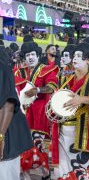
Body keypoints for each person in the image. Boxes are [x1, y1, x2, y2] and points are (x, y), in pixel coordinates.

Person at [52, 42, 89, 179]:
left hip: (85, 134)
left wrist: (82, 99)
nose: (75, 59)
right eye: (74, 56)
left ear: (88, 60)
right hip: (63, 132)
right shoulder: (67, 80)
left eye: (79, 56)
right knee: (64, 172)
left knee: (84, 172)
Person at [14, 39, 59, 179]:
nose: (30, 58)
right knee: (23, 147)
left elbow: (52, 86)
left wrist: (38, 89)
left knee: (40, 147)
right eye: (27, 55)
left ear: (38, 55)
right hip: (22, 115)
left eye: (32, 54)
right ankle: (25, 175)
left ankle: (43, 174)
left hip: (40, 115)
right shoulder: (18, 72)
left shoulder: (47, 69)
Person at [0, 47, 33, 180]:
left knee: (5, 172)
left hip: (7, 130)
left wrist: (1, 137)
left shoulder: (2, 68)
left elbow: (9, 104)